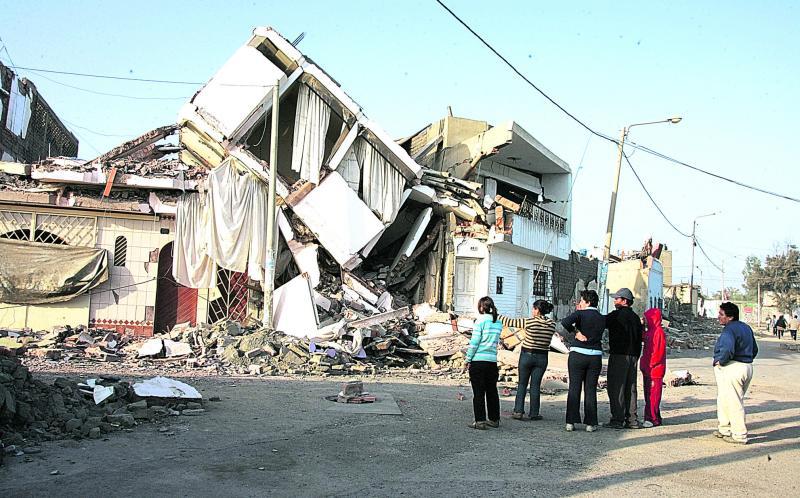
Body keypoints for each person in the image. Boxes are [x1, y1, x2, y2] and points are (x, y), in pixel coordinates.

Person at [500, 299, 556, 421]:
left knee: (522, 384)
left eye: (533, 309)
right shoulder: (552, 324)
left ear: (537, 310)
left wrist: (495, 314)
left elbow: (509, 322)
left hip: (527, 355)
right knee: (535, 385)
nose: (532, 311)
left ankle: (518, 411)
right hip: (542, 357)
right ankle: (534, 413)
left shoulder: (529, 322)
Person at [713, 302, 758, 444]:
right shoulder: (746, 328)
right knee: (725, 399)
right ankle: (724, 428)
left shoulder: (729, 330)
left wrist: (721, 361)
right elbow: (755, 349)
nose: (718, 317)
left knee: (734, 402)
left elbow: (727, 349)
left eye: (721, 314)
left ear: (730, 316)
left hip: (733, 367)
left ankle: (739, 435)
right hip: (747, 366)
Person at [560, 290, 605, 433]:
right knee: (590, 390)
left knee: (574, 388)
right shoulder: (601, 317)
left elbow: (565, 322)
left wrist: (576, 332)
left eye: (581, 301)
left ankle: (570, 422)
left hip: (578, 354)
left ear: (588, 302)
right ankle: (591, 423)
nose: (579, 303)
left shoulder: (580, 314)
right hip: (595, 356)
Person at [604, 288, 643, 429]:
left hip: (619, 355)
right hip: (633, 356)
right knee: (630, 388)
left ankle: (617, 419)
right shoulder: (635, 318)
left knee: (616, 387)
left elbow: (600, 323)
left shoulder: (616, 316)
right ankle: (632, 420)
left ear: (624, 301)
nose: (615, 301)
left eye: (617, 299)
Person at [465, 296, 503, 430]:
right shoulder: (498, 322)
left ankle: (480, 420)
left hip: (478, 362)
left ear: (481, 307)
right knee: (492, 391)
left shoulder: (479, 321)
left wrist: (468, 359)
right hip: (492, 361)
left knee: (478, 392)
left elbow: (474, 343)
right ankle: (494, 419)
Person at [641, 308, 667, 428]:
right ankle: (654, 416)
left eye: (646, 319)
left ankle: (652, 418)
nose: (645, 321)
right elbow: (642, 337)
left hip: (654, 370)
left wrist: (650, 365)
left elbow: (658, 353)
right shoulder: (650, 331)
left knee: (653, 395)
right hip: (648, 369)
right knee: (648, 394)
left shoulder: (658, 332)